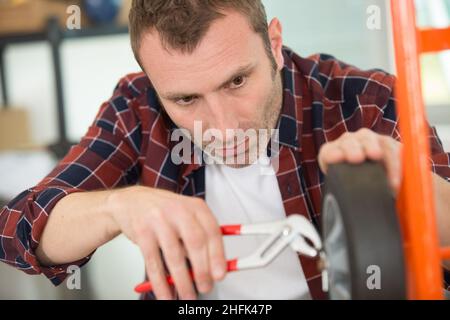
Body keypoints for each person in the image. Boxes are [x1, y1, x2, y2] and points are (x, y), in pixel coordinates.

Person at [1, 0, 450, 300]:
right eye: (185, 99)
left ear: (274, 44)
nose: (222, 125)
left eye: (237, 81)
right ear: (154, 85)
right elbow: (18, 231)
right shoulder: (137, 108)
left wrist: (413, 184)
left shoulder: (367, 99)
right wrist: (120, 206)